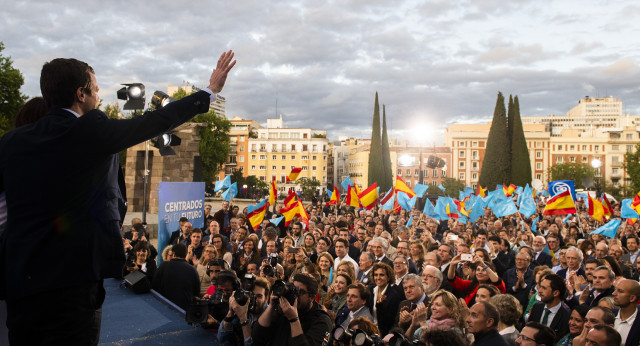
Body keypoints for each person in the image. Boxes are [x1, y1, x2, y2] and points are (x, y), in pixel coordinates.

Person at [0, 50, 235, 345]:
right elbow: (155, 120)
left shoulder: (12, 142)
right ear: (81, 94)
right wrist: (209, 92)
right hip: (72, 284)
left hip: (21, 281)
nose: (98, 96)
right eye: (96, 90)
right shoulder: (90, 130)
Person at [252, 273, 333, 346]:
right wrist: (271, 306)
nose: (295, 296)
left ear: (312, 298)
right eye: (293, 290)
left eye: (300, 292)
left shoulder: (322, 320)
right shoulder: (283, 309)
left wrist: (293, 319)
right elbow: (257, 337)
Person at [152, 244, 201, 310]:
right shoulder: (192, 270)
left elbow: (154, 284)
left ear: (173, 253)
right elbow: (196, 292)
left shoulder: (164, 266)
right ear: (185, 254)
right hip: (184, 309)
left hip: (164, 307)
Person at [527, 274, 569, 343]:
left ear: (555, 293)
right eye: (540, 287)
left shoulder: (566, 316)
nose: (539, 291)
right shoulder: (536, 307)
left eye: (544, 288)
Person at [369, 262, 403, 336]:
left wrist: (380, 305)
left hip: (384, 333)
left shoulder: (393, 295)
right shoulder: (371, 290)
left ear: (388, 277)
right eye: (376, 275)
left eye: (382, 275)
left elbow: (389, 321)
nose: (378, 278)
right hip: (371, 330)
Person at [612, 279, 640, 346]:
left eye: (620, 291)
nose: (614, 293)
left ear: (632, 298)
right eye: (615, 289)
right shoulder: (608, 315)